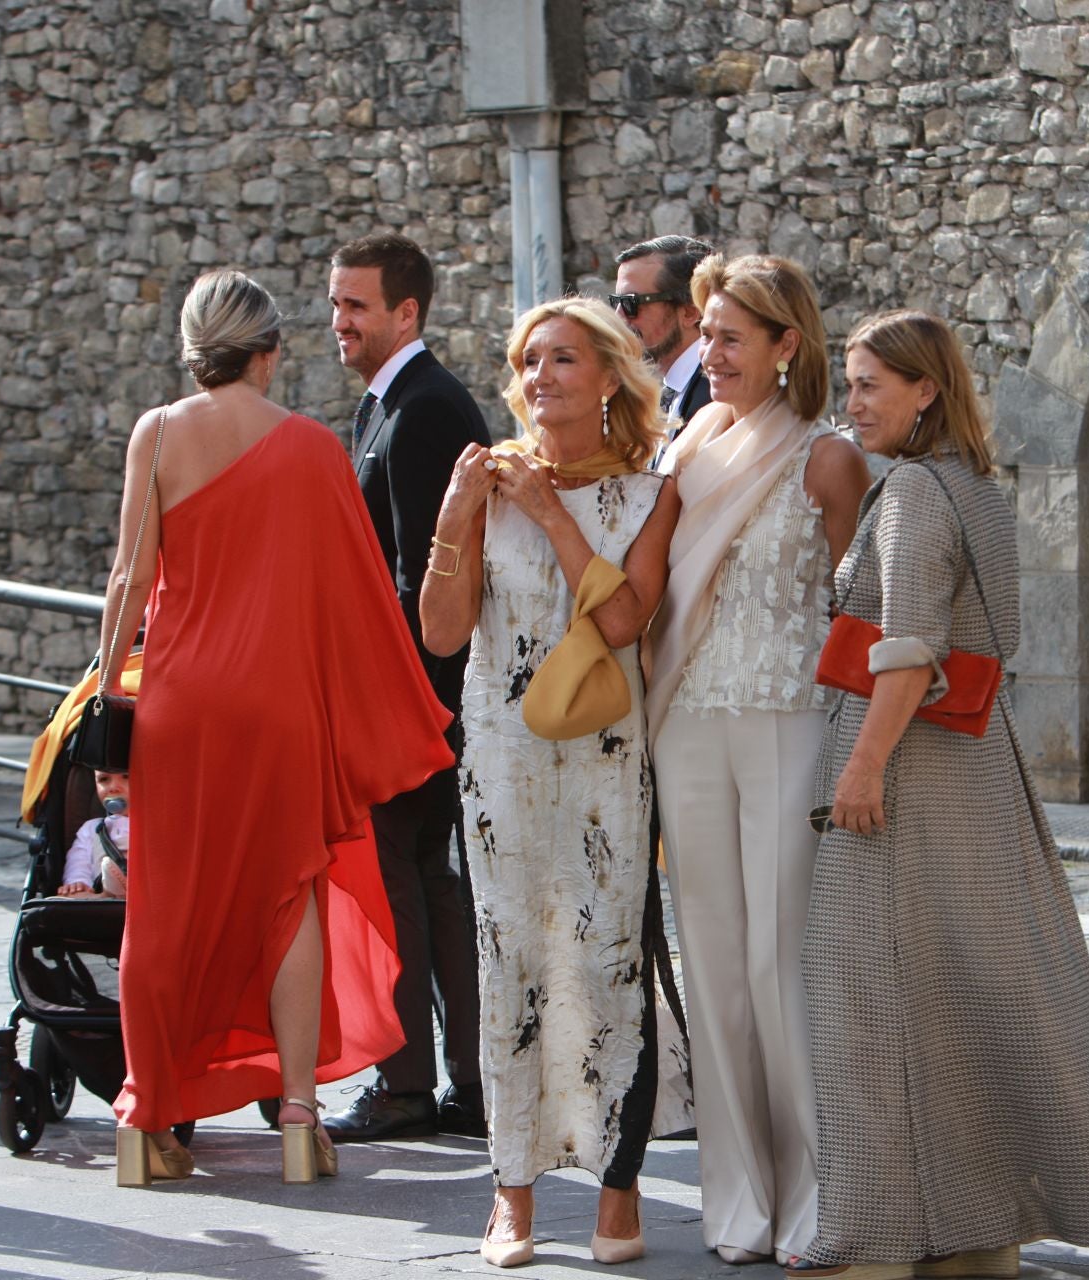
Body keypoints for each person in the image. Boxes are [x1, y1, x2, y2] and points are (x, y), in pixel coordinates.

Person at [791, 311, 1089, 1278]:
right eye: (851, 382)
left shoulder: (912, 487)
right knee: (961, 996)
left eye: (872, 384)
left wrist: (860, 768)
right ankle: (977, 1235)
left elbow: (906, 649)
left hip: (904, 765)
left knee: (862, 995)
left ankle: (871, 1241)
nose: (853, 402)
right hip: (978, 766)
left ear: (926, 391)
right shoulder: (979, 491)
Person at [102, 270, 455, 1185]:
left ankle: (150, 1118)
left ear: (193, 347)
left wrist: (110, 696)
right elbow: (359, 598)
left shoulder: (160, 433)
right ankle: (299, 1116)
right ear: (270, 352)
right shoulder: (308, 446)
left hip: (182, 704)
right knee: (291, 893)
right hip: (280, 710)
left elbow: (128, 583)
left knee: (165, 905)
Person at [420, 297, 684, 1268]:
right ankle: (510, 1192)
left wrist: (544, 510)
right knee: (510, 964)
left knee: (607, 960)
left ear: (609, 375)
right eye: (528, 362)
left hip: (608, 760)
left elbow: (624, 621)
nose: (539, 378)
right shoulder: (485, 486)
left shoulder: (652, 495)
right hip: (502, 759)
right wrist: (458, 515)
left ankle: (619, 1189)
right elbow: (442, 633)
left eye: (562, 359)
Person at [643, 254, 869, 1266]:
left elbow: (859, 612)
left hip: (788, 717)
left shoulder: (827, 459)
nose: (711, 351)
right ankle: (738, 1199)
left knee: (783, 962)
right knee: (715, 963)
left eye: (733, 335)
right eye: (707, 331)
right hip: (687, 715)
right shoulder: (690, 441)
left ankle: (823, 1193)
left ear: (789, 346)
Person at [326, 232, 493, 1143]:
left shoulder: (426, 410)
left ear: (407, 312)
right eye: (335, 303)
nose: (338, 321)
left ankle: (408, 1087)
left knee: (405, 881)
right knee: (426, 882)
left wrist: (405, 706)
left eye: (356, 306)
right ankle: (457, 1084)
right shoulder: (384, 405)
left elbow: (426, 576)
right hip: (412, 699)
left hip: (417, 699)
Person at [613, 235, 713, 430]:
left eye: (631, 303)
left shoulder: (716, 393)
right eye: (616, 301)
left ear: (690, 311)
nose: (619, 317)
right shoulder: (672, 392)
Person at [58, 770, 129, 898]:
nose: (113, 788)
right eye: (104, 779)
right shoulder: (91, 828)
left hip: (146, 890)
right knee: (71, 898)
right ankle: (111, 893)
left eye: (126, 777)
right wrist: (77, 882)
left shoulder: (155, 823)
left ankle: (123, 888)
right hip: (99, 892)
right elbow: (79, 861)